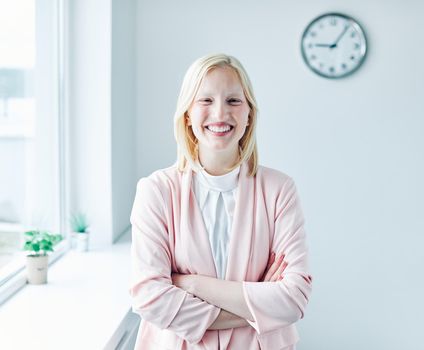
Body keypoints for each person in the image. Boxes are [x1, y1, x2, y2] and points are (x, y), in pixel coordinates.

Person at [129, 53, 312, 350]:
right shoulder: (156, 190)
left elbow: (294, 299)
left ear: (249, 113)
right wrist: (260, 301)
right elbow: (150, 297)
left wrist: (190, 284)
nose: (220, 114)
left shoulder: (280, 190)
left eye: (233, 101)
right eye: (206, 100)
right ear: (187, 114)